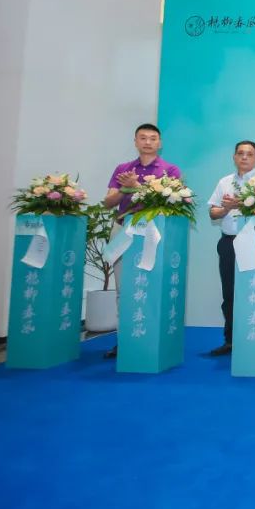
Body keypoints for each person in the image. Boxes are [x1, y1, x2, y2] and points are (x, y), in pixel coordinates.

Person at [101, 123, 183, 360]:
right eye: (143, 138)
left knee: (154, 287)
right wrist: (125, 189)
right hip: (123, 231)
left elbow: (173, 203)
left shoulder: (170, 170)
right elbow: (108, 202)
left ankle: (151, 338)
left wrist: (137, 187)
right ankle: (124, 340)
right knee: (124, 289)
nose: (148, 142)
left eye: (153, 138)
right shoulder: (123, 169)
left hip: (154, 234)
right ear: (135, 142)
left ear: (160, 143)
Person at [205, 140, 255, 356]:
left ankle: (254, 339)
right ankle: (230, 340)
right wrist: (226, 208)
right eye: (240, 153)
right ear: (234, 157)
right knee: (230, 293)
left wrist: (247, 206)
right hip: (229, 243)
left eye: (249, 154)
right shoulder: (224, 182)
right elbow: (212, 213)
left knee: (254, 292)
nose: (244, 157)